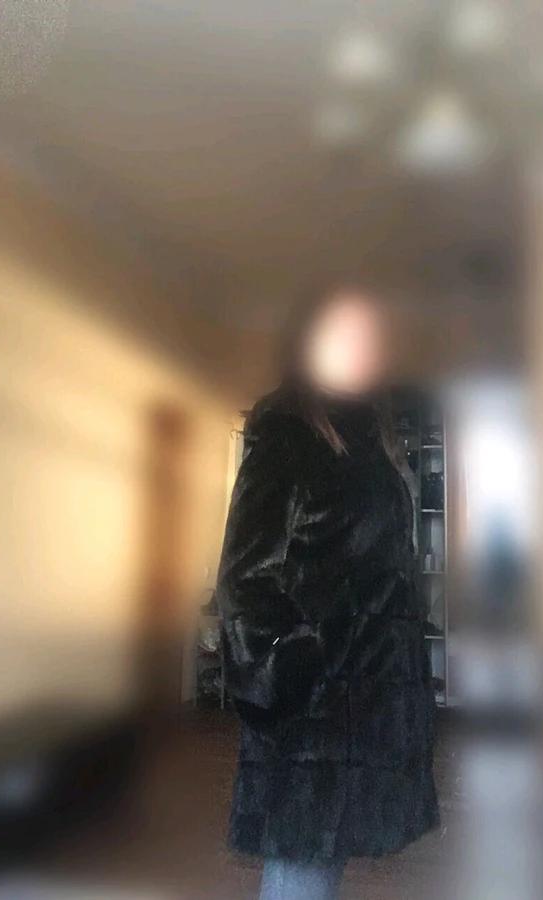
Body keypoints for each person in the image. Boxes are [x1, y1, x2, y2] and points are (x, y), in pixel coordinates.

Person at [217, 284, 439, 899]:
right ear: (305, 344)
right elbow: (244, 580)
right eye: (341, 333)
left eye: (367, 335)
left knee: (323, 861)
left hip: (367, 701)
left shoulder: (371, 434)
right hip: (311, 710)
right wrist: (295, 669)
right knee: (302, 865)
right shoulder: (287, 433)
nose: (358, 347)